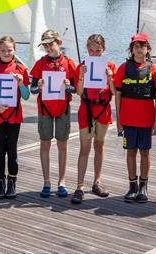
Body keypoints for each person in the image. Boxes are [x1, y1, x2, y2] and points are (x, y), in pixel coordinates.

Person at [0, 36, 30, 199]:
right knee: (0, 151)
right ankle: (0, 183)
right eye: (3, 50)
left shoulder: (20, 69)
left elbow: (27, 96)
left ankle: (12, 182)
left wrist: (21, 83)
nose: (6, 53)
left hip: (14, 117)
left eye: (9, 50)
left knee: (12, 150)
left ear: (14, 50)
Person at [113, 32, 156, 203]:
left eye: (142, 46)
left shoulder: (154, 70)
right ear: (132, 49)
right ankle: (132, 185)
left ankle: (143, 186)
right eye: (136, 46)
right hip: (128, 120)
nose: (139, 49)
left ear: (148, 49)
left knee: (145, 152)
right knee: (131, 152)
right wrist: (118, 121)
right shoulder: (123, 68)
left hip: (146, 120)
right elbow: (117, 95)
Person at [30, 29, 77, 198]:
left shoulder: (69, 63)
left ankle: (62, 181)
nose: (48, 48)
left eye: (51, 44)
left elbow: (75, 89)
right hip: (45, 110)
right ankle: (46, 181)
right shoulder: (40, 64)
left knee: (62, 145)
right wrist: (39, 86)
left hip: (63, 109)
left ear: (59, 43)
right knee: (45, 144)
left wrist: (68, 86)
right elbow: (33, 89)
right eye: (45, 45)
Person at [71, 34, 116, 204]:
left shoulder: (110, 66)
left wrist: (110, 77)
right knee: (84, 148)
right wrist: (81, 75)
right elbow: (79, 91)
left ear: (103, 49)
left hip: (103, 110)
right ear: (87, 50)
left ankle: (97, 181)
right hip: (87, 111)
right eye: (91, 50)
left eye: (98, 50)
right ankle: (80, 185)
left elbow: (113, 91)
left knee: (99, 145)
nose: (95, 54)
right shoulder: (82, 66)